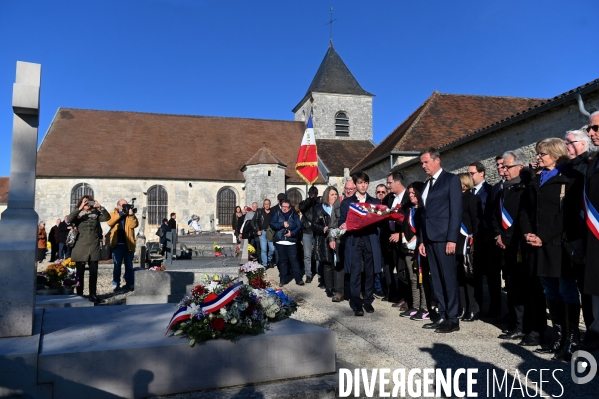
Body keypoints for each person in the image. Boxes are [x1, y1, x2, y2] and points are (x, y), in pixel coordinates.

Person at [520, 138, 583, 361]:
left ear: (556, 155)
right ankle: (557, 337)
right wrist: (527, 233)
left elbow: (567, 214)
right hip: (537, 246)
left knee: (566, 290)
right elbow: (526, 210)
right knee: (550, 292)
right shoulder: (536, 179)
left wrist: (543, 236)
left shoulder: (570, 178)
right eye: (538, 154)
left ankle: (572, 340)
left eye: (542, 154)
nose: (538, 157)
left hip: (557, 245)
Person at [493, 151, 546, 346]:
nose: (503, 171)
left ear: (520, 167)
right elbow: (495, 215)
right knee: (513, 287)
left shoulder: (526, 187)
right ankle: (519, 324)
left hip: (521, 245)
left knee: (530, 289)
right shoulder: (503, 189)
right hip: (506, 245)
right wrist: (497, 234)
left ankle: (533, 327)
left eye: (507, 167)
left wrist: (508, 237)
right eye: (503, 167)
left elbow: (523, 217)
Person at [418, 147, 462, 333]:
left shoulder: (451, 180)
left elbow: (456, 210)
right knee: (436, 278)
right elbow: (423, 215)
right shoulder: (427, 184)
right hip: (429, 238)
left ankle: (453, 318)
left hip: (445, 238)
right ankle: (442, 314)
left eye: (426, 162)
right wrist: (421, 240)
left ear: (437, 160)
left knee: (448, 278)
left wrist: (452, 238)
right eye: (422, 163)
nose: (423, 166)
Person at [564, 129, 595, 333]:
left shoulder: (588, 166)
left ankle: (593, 328)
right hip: (570, 232)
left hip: (587, 230)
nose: (566, 146)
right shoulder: (566, 168)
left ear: (582, 144)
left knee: (590, 285)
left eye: (569, 142)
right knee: (582, 286)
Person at [339, 171, 383, 316]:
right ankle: (356, 303)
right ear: (356, 184)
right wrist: (343, 225)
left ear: (368, 184)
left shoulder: (374, 202)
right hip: (354, 240)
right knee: (355, 272)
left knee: (370, 272)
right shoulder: (347, 202)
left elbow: (380, 220)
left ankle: (368, 301)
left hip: (369, 239)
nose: (363, 185)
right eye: (360, 183)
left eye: (365, 183)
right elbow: (341, 221)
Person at [578, 113, 599, 352]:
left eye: (595, 128)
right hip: (593, 238)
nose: (590, 133)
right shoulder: (593, 161)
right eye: (589, 128)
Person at [67, 196, 110, 303]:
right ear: (81, 202)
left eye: (88, 202)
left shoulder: (95, 214)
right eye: (84, 202)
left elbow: (107, 218)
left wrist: (100, 207)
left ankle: (93, 295)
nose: (87, 204)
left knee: (94, 272)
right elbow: (69, 219)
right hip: (80, 245)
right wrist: (80, 207)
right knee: (80, 273)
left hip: (93, 246)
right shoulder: (78, 214)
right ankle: (79, 294)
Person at [381, 171, 410, 309]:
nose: (387, 186)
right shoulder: (390, 199)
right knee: (399, 270)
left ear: (398, 182)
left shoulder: (408, 199)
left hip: (404, 239)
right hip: (391, 239)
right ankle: (402, 297)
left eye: (389, 182)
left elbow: (411, 222)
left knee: (406, 270)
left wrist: (401, 234)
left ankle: (409, 299)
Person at [456, 173, 482, 322]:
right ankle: (463, 307)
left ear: (464, 184)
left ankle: (474, 308)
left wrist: (474, 242)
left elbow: (476, 222)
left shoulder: (472, 199)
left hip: (468, 242)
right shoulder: (455, 200)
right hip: (457, 243)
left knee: (470, 278)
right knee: (460, 278)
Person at [312, 186, 340, 298]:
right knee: (328, 263)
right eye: (332, 194)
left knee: (337, 263)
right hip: (324, 239)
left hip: (338, 237)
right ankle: (329, 287)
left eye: (336, 194)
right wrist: (322, 228)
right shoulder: (319, 208)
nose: (334, 196)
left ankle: (338, 286)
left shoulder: (340, 207)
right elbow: (314, 224)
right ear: (327, 195)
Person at [107, 199, 139, 291]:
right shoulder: (113, 213)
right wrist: (121, 214)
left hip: (128, 244)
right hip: (117, 244)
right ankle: (116, 283)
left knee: (129, 266)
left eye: (126, 204)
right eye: (123, 205)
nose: (125, 206)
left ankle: (130, 283)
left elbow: (134, 225)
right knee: (117, 266)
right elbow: (110, 222)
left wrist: (131, 214)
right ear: (118, 206)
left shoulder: (129, 215)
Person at [270, 199, 303, 286]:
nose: (284, 208)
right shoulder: (277, 213)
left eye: (286, 207)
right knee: (283, 261)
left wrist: (292, 233)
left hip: (291, 241)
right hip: (280, 241)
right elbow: (272, 224)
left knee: (294, 260)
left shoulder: (294, 215)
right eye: (283, 206)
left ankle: (298, 279)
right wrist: (282, 224)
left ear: (289, 207)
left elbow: (299, 226)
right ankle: (283, 280)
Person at [299, 186, 319, 283]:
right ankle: (308, 274)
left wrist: (315, 201)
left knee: (318, 253)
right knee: (307, 255)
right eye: (311, 193)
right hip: (307, 231)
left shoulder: (319, 203)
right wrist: (310, 200)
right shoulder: (304, 203)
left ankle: (319, 274)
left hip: (317, 231)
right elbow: (302, 208)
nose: (313, 195)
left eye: (314, 193)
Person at [256, 199, 275, 267]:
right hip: (262, 232)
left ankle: (269, 259)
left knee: (272, 248)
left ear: (270, 204)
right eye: (265, 204)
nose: (267, 205)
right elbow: (256, 221)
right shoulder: (260, 212)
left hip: (270, 232)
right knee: (263, 249)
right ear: (263, 205)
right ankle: (265, 264)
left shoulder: (273, 212)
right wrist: (258, 230)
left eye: (268, 204)